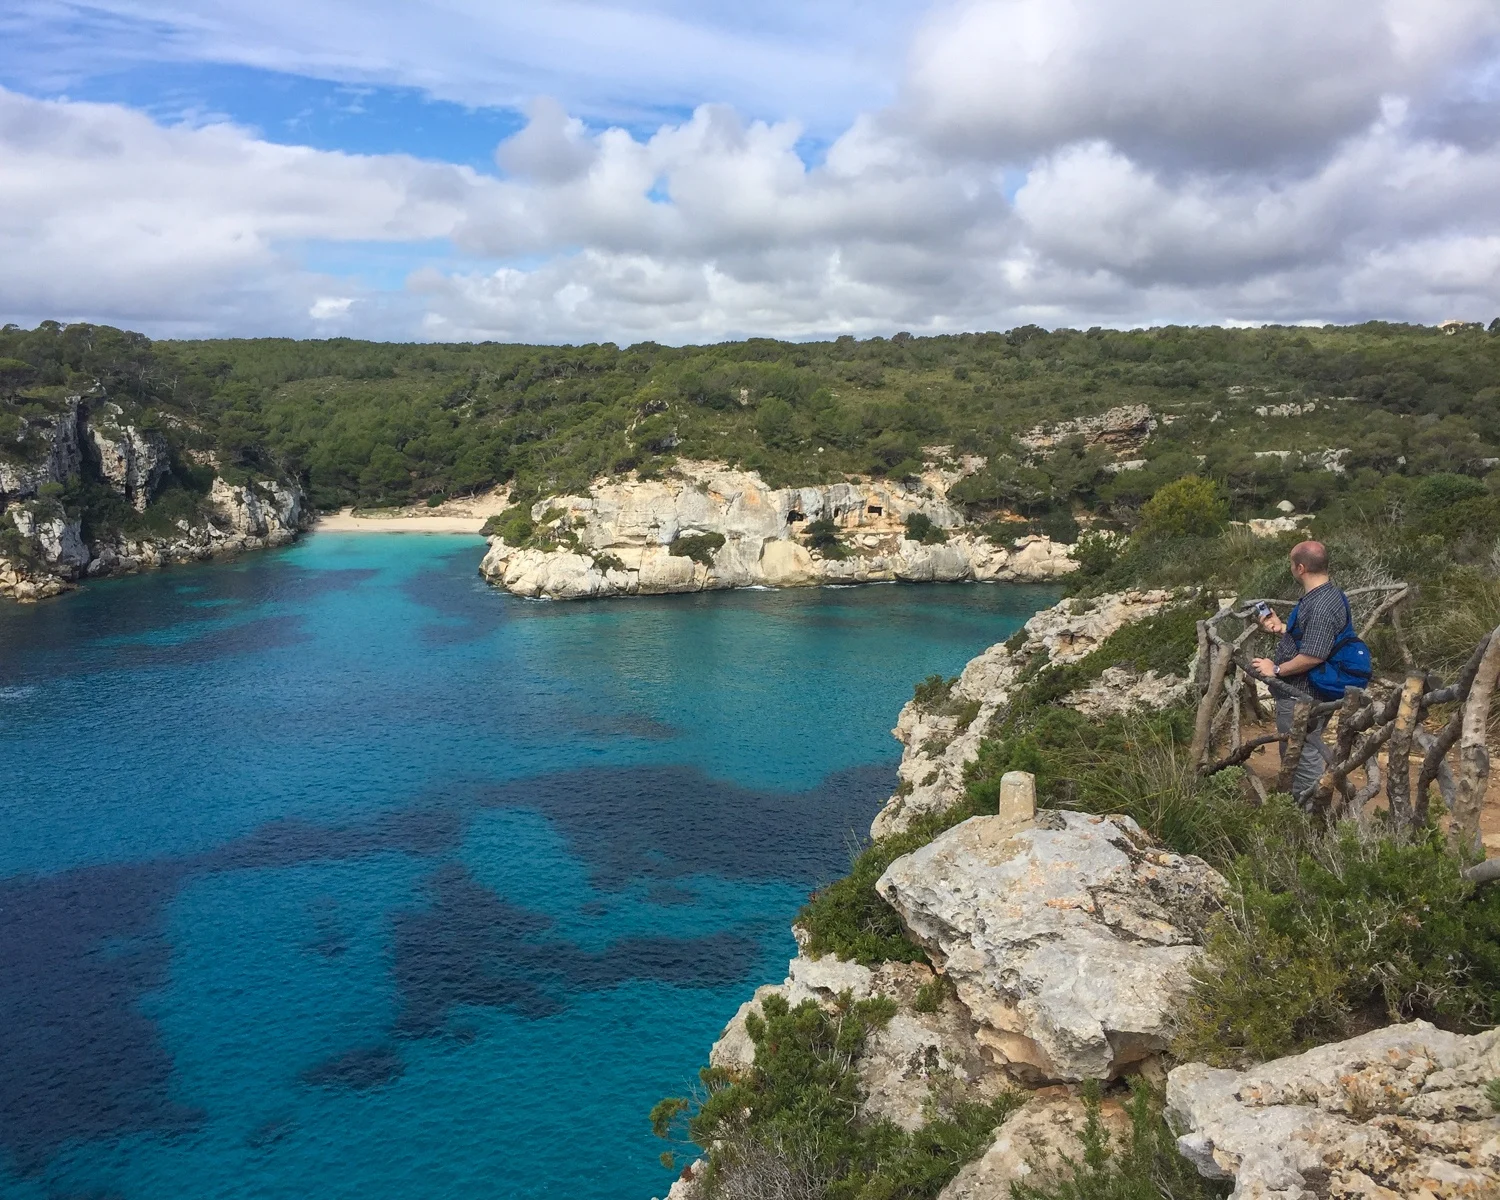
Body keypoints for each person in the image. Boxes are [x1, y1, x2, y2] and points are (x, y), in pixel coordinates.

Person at [1249, 540, 1351, 801]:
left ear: (1301, 568)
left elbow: (1313, 655)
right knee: (1302, 750)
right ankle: (1301, 807)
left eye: (1292, 564)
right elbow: (1319, 639)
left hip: (1303, 695)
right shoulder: (1329, 595)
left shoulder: (1320, 605)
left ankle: (1308, 814)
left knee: (1302, 757)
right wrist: (1282, 628)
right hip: (1314, 691)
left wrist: (1276, 669)